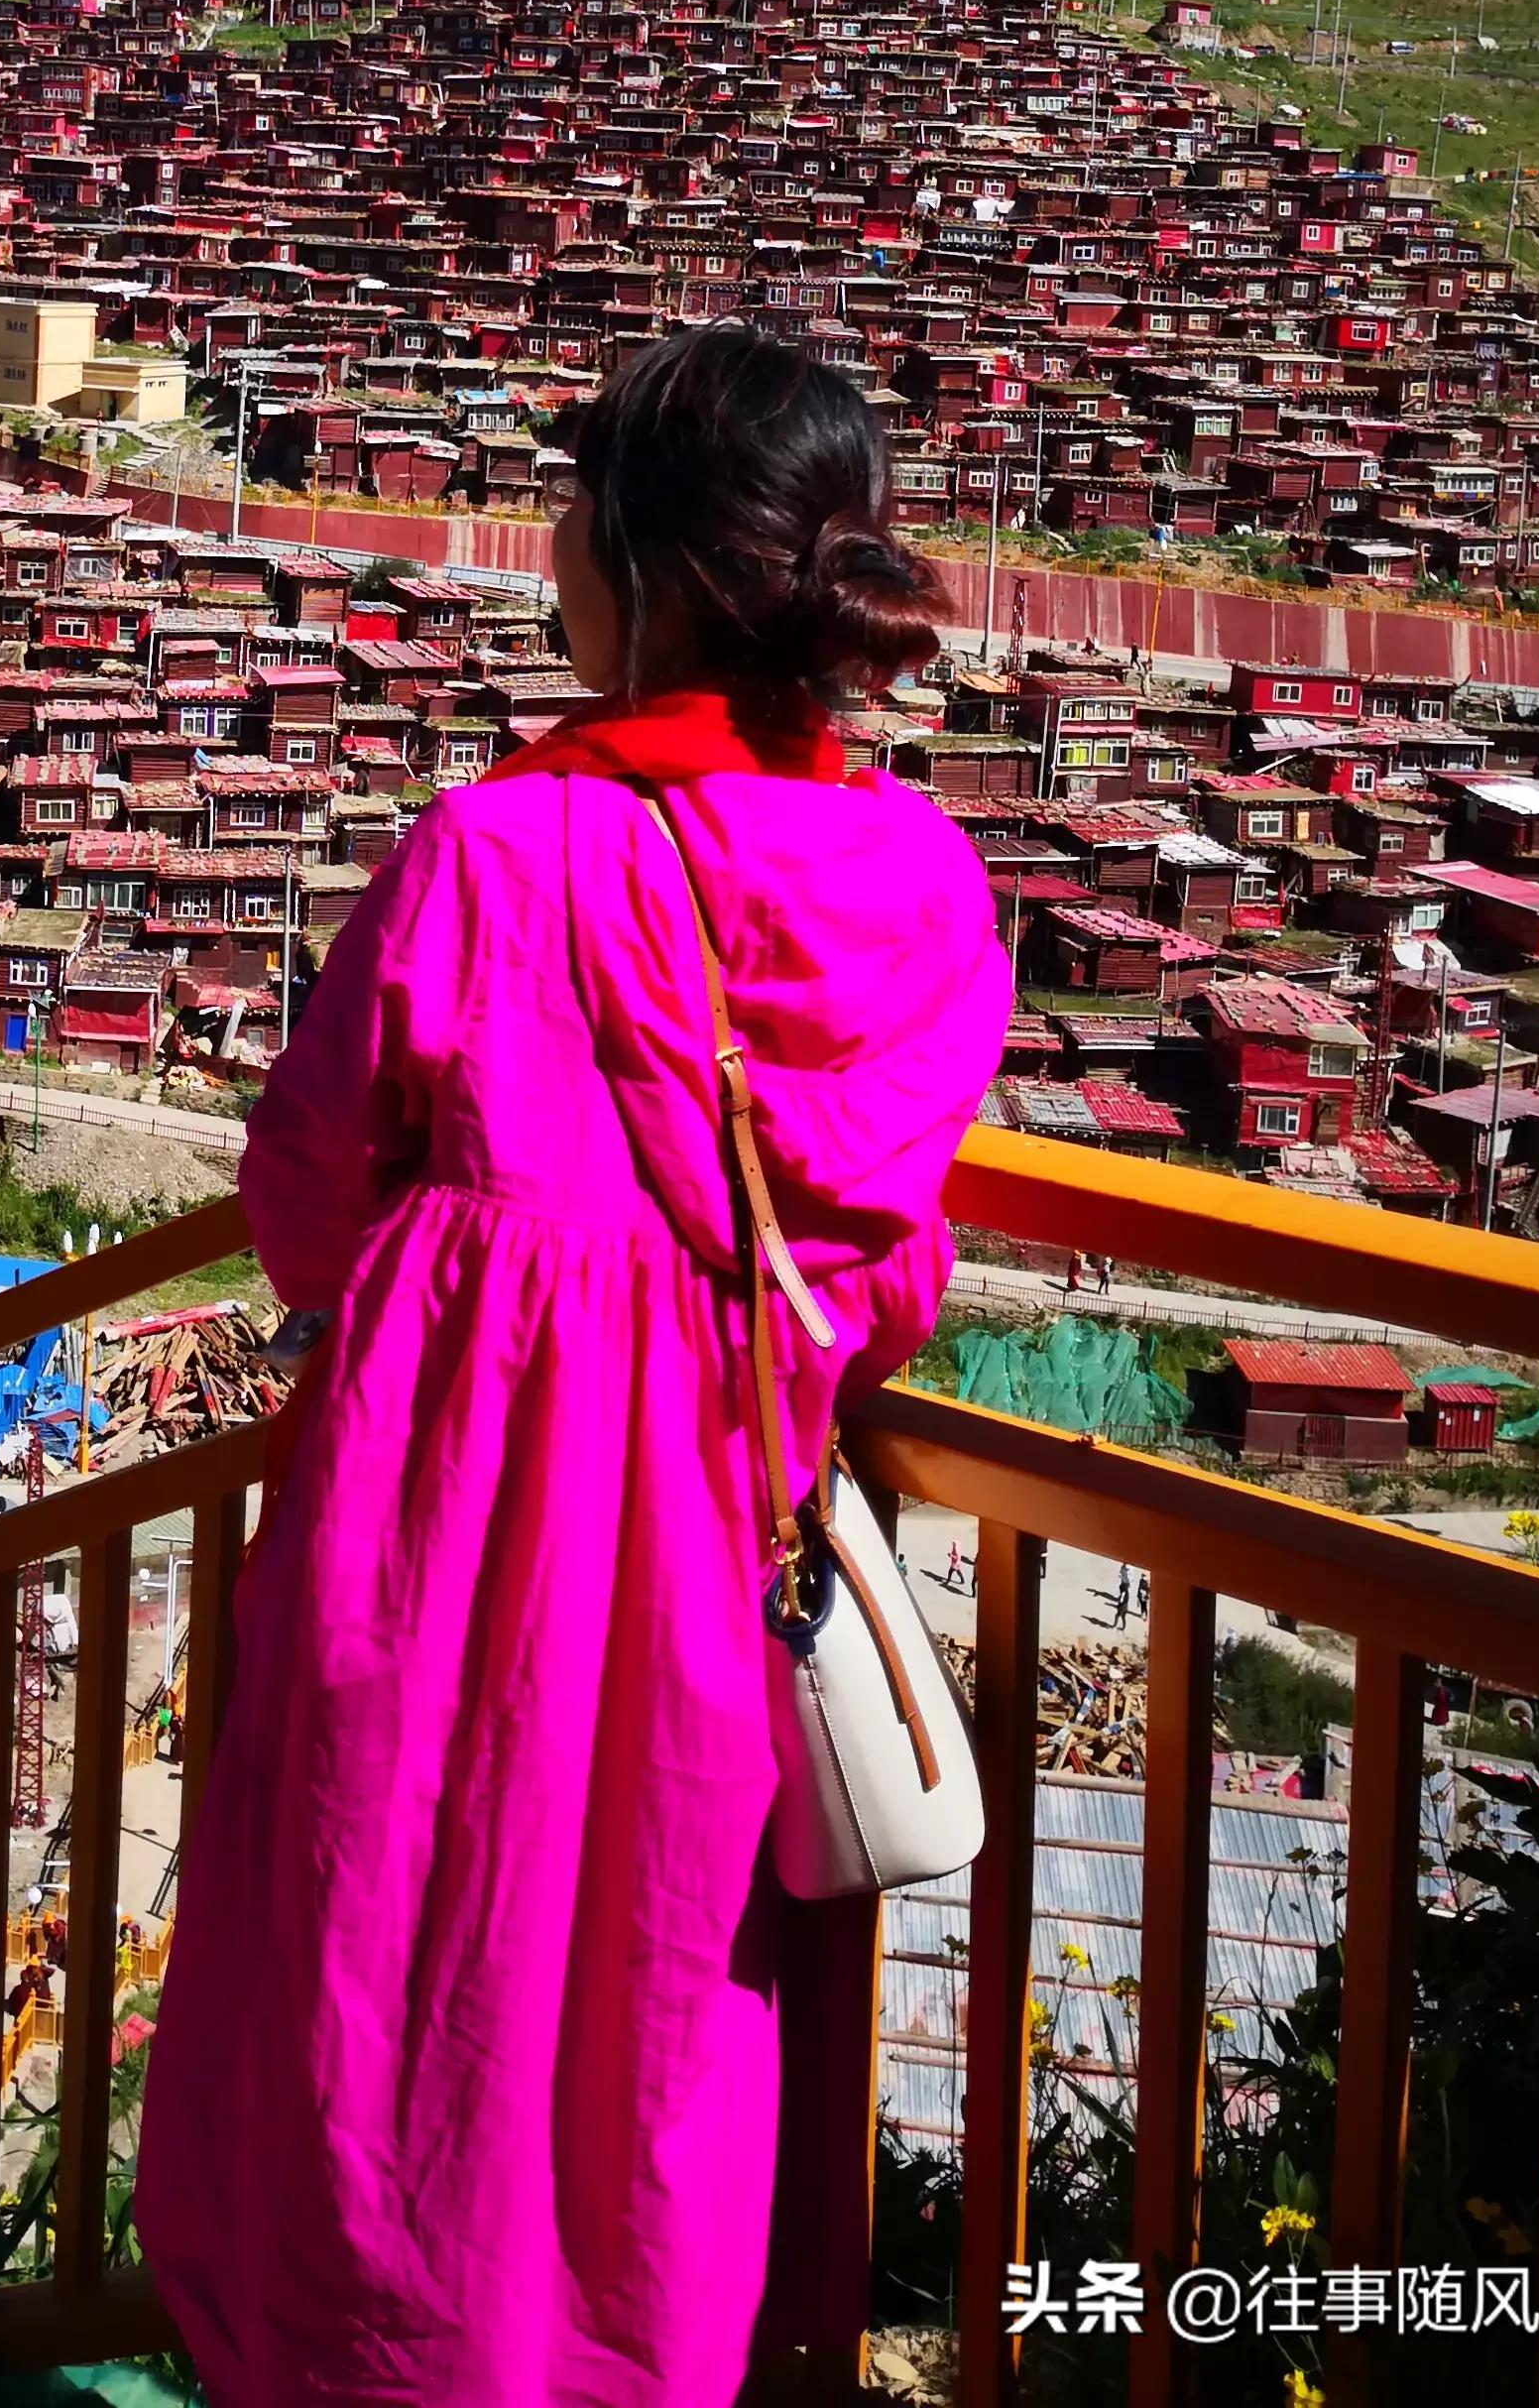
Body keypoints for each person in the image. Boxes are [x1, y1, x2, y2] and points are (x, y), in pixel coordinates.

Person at [138, 324, 1010, 2408]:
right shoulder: (917, 890)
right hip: (717, 1545)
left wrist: (459, 1314)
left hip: (436, 1548)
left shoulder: (501, 853)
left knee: (381, 1991)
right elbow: (882, 1277)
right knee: (641, 2026)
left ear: (638, 564)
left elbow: (308, 1190)